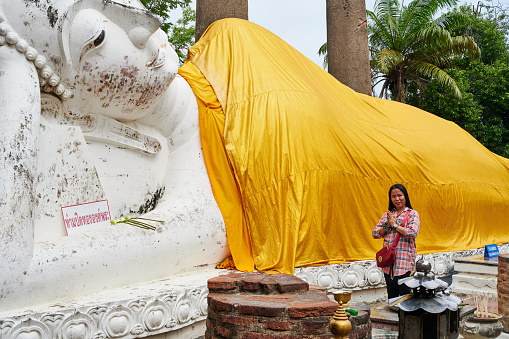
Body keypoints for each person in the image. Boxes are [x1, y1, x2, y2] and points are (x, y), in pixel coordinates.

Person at [372, 184, 420, 299]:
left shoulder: (412, 214)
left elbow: (413, 232)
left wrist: (395, 225)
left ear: (405, 196)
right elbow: (375, 233)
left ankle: (404, 317)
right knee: (392, 297)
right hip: (388, 263)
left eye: (400, 195)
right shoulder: (387, 215)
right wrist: (387, 225)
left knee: (405, 297)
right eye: (393, 196)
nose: (397, 199)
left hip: (404, 262)